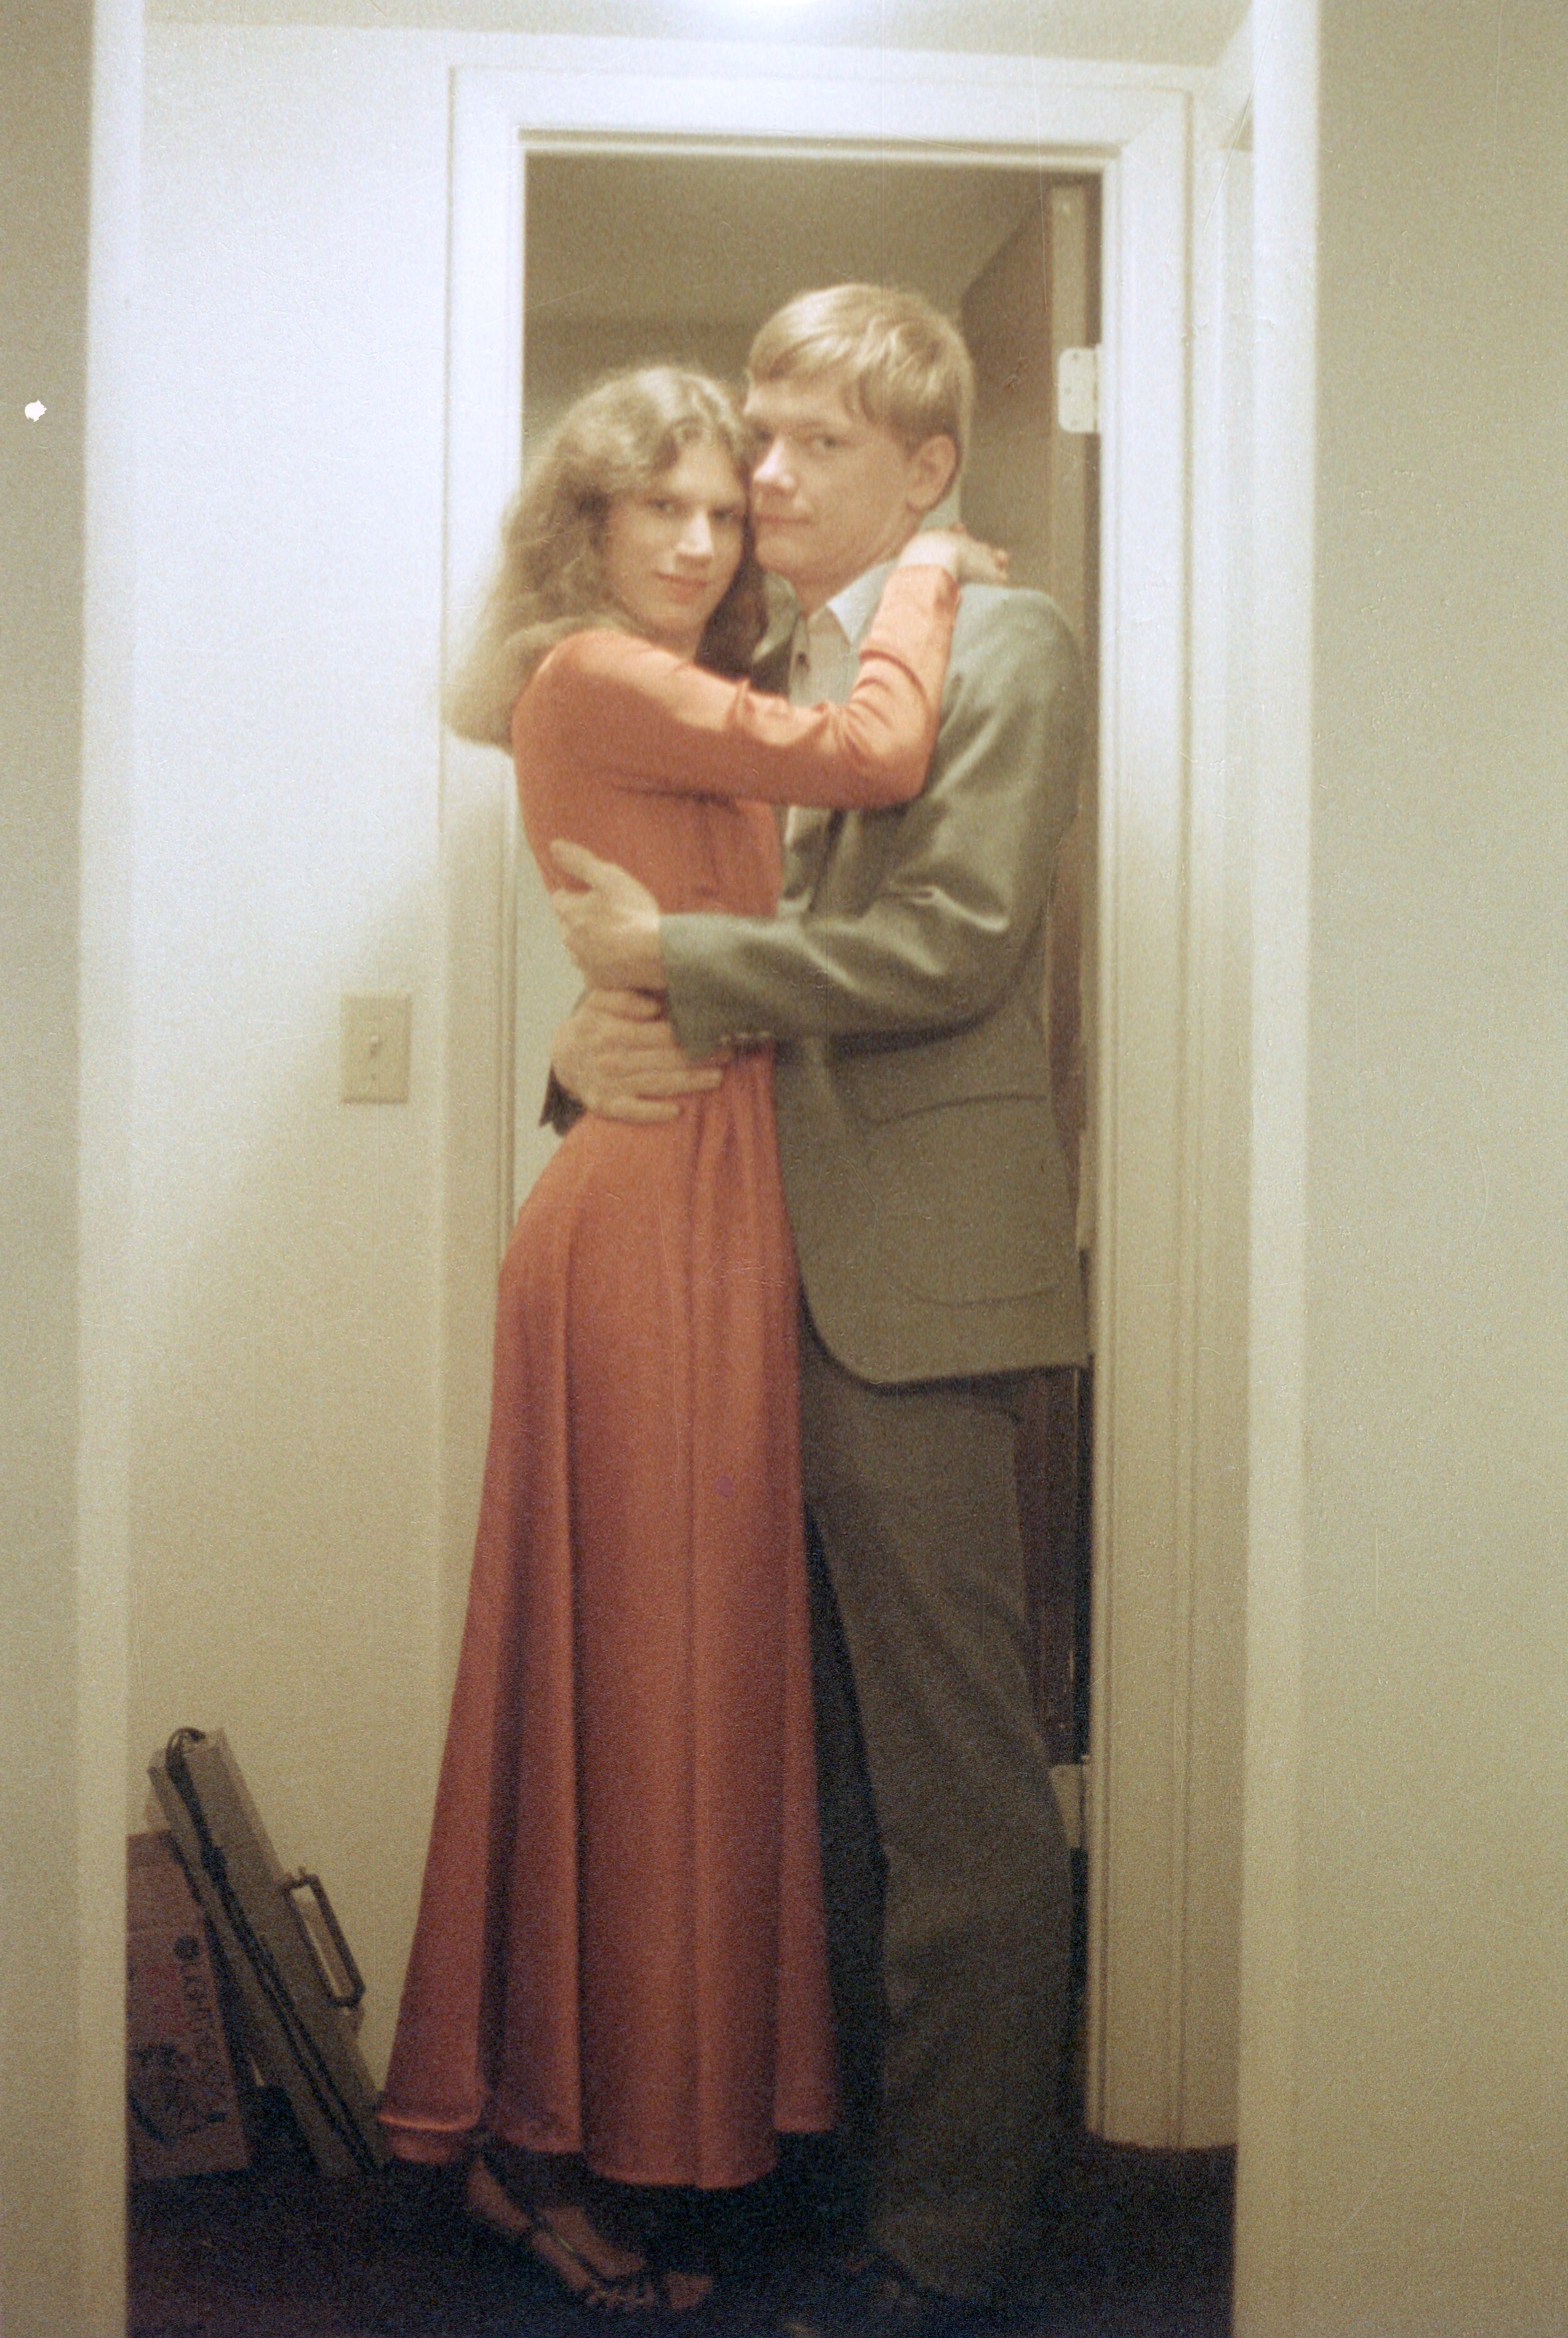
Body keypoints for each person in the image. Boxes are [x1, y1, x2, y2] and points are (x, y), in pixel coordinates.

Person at [375, 363, 1002, 2318]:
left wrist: (605, 1027)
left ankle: (618, 2131)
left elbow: (760, 929)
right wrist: (926, 570)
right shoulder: (593, 674)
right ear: (583, 523)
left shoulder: (660, 693)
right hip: (650, 1218)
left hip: (713, 1187)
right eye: (659, 505)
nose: (700, 539)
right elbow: (878, 754)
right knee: (639, 1682)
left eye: (720, 511)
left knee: (694, 1682)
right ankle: (552, 2145)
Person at [546, 287, 1088, 2336]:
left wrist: (675, 964)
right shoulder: (747, 667)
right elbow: (669, 920)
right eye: (756, 430)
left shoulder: (1006, 642)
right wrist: (588, 1048)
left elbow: (953, 941)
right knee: (804, 1778)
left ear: (927, 469)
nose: (763, 473)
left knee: (956, 1791)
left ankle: (943, 2244)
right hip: (726, 1272)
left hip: (916, 1291)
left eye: (818, 443)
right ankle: (837, 2169)